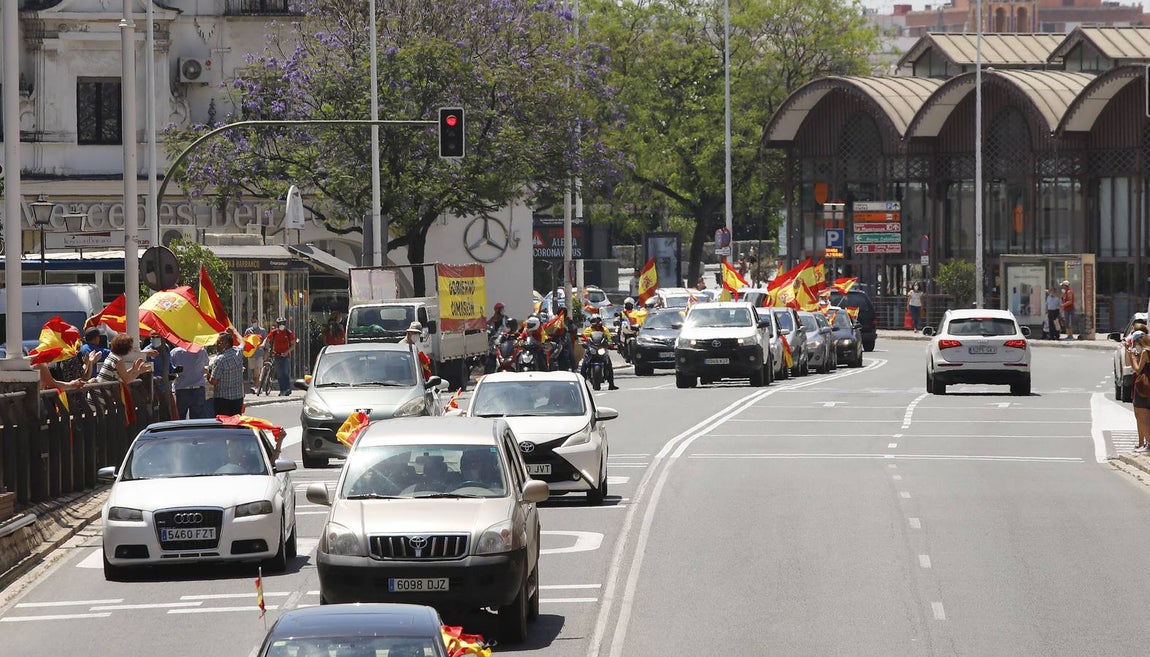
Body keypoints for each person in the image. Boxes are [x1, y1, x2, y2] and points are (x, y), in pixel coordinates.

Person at [169, 341, 210, 419]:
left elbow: (171, 368)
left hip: (182, 389)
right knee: (198, 419)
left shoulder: (175, 352)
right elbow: (206, 364)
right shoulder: (201, 350)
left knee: (180, 418)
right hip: (198, 389)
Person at [208, 332, 245, 415]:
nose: (217, 345)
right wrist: (234, 331)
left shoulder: (220, 359)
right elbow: (242, 342)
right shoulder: (238, 352)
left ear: (227, 344)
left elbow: (213, 381)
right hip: (238, 398)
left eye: (219, 343)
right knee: (235, 423)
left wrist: (207, 372)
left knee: (223, 424)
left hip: (223, 400)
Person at [580, 315, 618, 390]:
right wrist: (584, 342)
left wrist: (611, 344)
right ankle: (581, 384)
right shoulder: (588, 330)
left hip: (602, 349)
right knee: (584, 365)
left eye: (598, 321)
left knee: (609, 364)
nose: (597, 324)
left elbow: (609, 338)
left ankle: (611, 384)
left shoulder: (605, 329)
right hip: (592, 350)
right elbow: (583, 338)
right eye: (595, 321)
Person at [262, 316, 296, 396]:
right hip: (277, 355)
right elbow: (267, 339)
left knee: (285, 372)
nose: (281, 325)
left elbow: (293, 344)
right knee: (280, 374)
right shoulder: (274, 332)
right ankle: (282, 390)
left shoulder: (289, 333)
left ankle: (287, 389)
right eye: (280, 324)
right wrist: (263, 345)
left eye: (283, 323)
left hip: (285, 356)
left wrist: (287, 352)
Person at [1128, 330, 1150, 451]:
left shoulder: (1145, 352)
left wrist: (1133, 357)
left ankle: (1148, 444)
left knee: (1142, 416)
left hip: (1144, 387)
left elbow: (1137, 369)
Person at [243, 315, 268, 392]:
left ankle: (257, 387)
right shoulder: (248, 331)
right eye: (252, 322)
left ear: (258, 321)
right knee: (254, 371)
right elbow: (245, 341)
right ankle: (257, 386)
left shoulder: (262, 331)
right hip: (251, 354)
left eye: (255, 321)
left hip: (259, 354)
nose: (254, 323)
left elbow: (266, 342)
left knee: (258, 370)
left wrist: (266, 353)